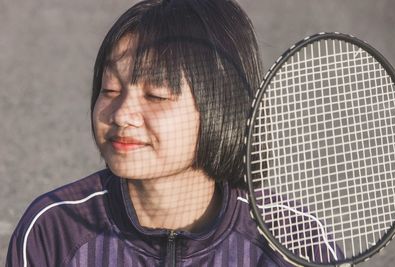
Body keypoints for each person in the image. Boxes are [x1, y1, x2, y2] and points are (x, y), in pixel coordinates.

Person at [6, 0, 293, 266]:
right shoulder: (54, 228)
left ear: (222, 106)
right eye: (110, 89)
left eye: (155, 96)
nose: (121, 115)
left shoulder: (292, 239)